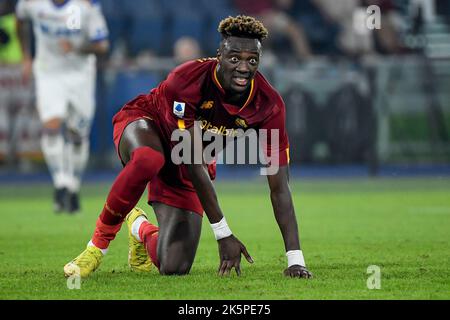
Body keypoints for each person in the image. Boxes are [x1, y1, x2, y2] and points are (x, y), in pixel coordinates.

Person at [64, 15, 312, 278]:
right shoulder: (186, 80)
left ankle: (140, 228)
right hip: (149, 126)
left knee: (174, 266)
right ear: (219, 54)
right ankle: (96, 247)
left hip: (187, 162)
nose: (243, 67)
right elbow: (192, 158)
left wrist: (295, 260)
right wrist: (223, 232)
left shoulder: (269, 105)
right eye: (234, 58)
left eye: (252, 60)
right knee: (149, 159)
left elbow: (279, 185)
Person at [15, 0, 109, 213]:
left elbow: (102, 44)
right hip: (49, 73)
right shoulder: (32, 3)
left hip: (80, 76)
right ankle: (61, 183)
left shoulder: (86, 6)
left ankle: (74, 186)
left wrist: (77, 46)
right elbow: (19, 21)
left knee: (77, 135)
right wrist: (26, 56)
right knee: (51, 127)